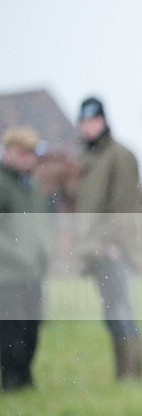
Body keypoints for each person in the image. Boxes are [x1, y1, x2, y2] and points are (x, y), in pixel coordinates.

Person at [74, 96, 142, 380]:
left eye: (93, 121)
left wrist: (113, 244)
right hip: (96, 248)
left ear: (103, 121)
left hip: (114, 248)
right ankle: (123, 375)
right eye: (84, 122)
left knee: (121, 310)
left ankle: (131, 376)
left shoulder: (120, 156)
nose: (88, 127)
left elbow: (122, 206)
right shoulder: (91, 157)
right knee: (112, 312)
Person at [0, 127, 49, 391]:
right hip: (7, 276)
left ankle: (25, 380)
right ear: (8, 152)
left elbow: (41, 225)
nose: (27, 159)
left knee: (31, 330)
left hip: (32, 273)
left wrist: (45, 250)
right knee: (10, 332)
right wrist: (19, 254)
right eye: (22, 153)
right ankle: (11, 382)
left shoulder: (32, 186)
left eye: (31, 153)